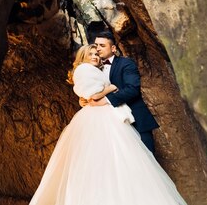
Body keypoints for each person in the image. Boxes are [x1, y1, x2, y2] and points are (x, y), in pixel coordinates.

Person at [29, 44, 187, 205]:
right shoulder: (84, 69)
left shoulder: (98, 69)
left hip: (108, 114)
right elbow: (94, 95)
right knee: (106, 156)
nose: (95, 56)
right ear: (82, 57)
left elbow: (92, 94)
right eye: (90, 53)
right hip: (99, 117)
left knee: (119, 157)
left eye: (96, 53)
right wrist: (110, 88)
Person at [92, 31, 159, 153]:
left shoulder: (126, 63)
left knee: (148, 164)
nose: (97, 49)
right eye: (96, 45)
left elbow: (132, 89)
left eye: (102, 45)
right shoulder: (93, 69)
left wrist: (106, 100)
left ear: (113, 48)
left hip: (136, 120)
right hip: (113, 126)